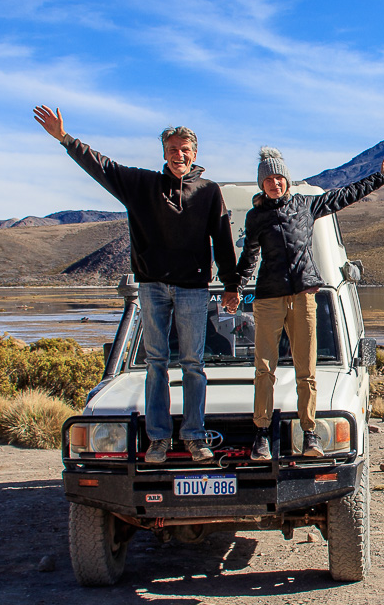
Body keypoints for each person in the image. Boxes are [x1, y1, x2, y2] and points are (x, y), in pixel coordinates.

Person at [33, 106, 240, 464]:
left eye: (185, 149)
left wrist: (231, 284)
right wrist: (66, 139)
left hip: (192, 288)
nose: (179, 155)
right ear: (164, 153)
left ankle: (193, 436)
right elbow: (103, 166)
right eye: (173, 149)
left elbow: (222, 239)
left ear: (195, 154)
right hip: (152, 287)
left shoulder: (208, 192)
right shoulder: (142, 185)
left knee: (193, 364)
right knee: (156, 363)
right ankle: (158, 438)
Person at [226, 147, 384, 459]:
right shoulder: (256, 217)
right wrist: (235, 288)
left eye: (279, 177)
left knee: (305, 368)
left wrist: (380, 178)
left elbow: (345, 195)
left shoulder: (306, 206)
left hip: (304, 295)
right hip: (268, 297)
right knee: (264, 368)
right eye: (268, 179)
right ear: (261, 184)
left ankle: (309, 433)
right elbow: (249, 257)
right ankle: (262, 434)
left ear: (287, 180)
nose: (274, 183)